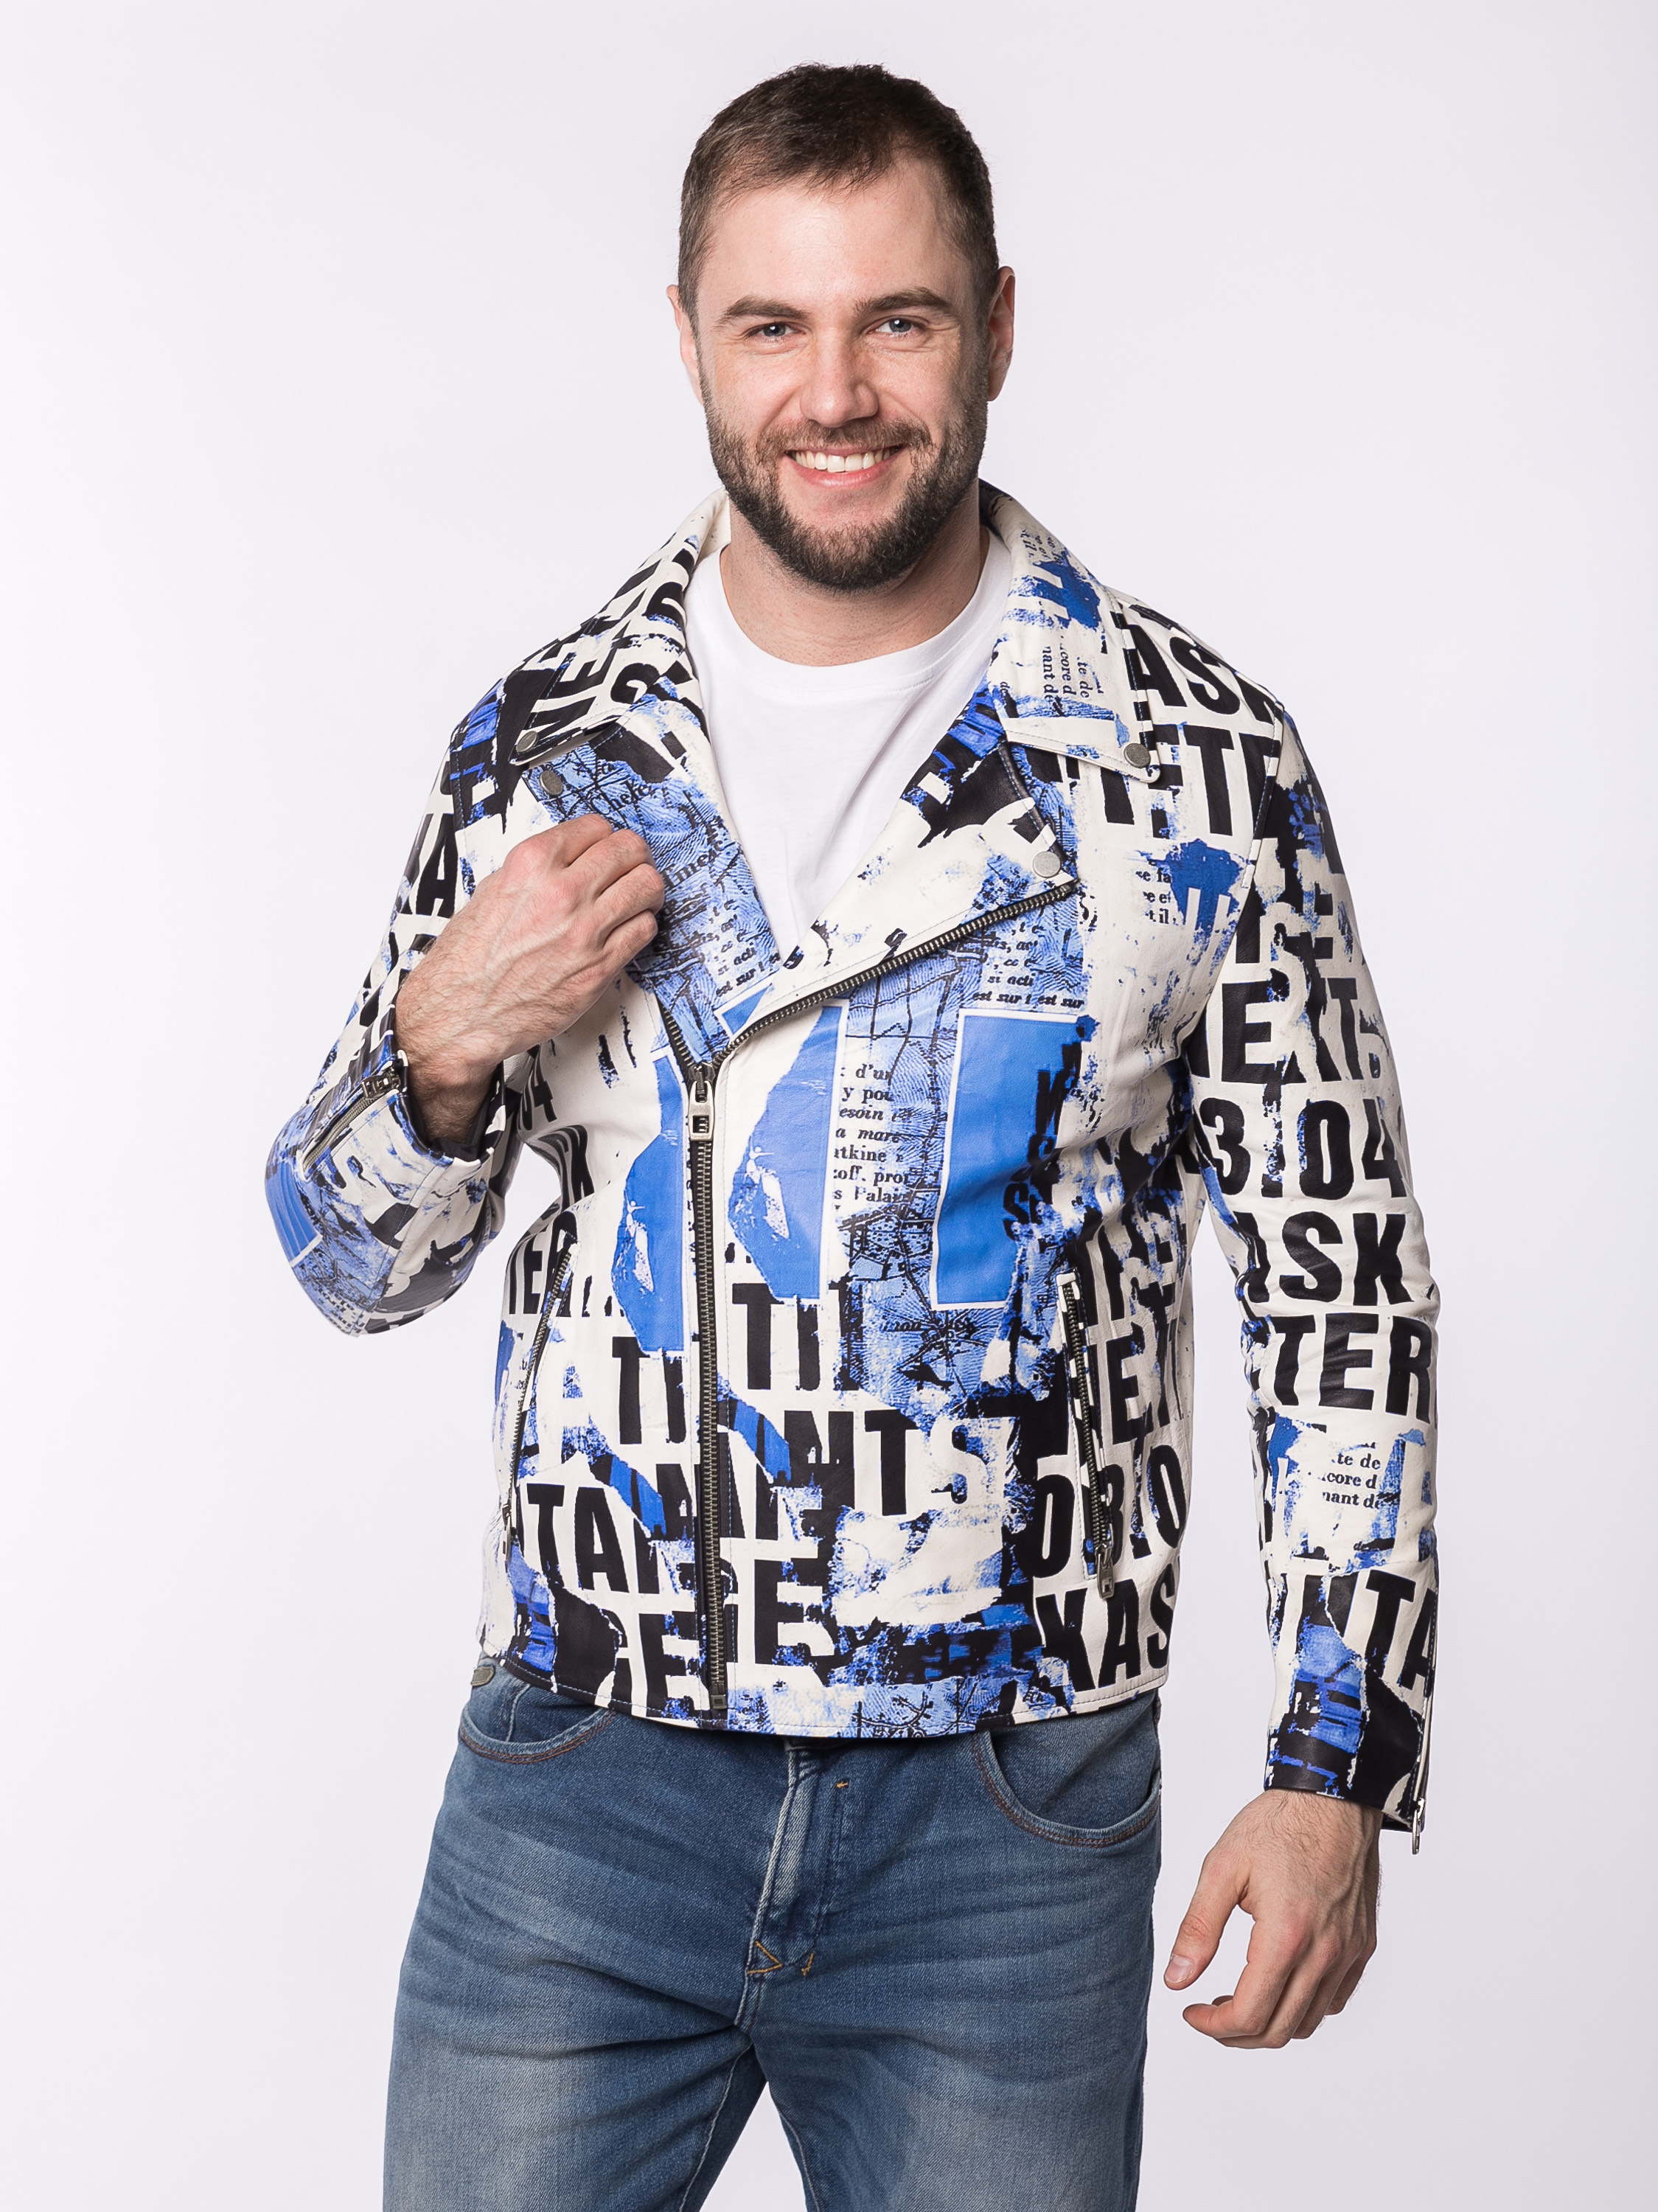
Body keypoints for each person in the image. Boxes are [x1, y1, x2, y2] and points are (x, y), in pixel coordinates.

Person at [266, 61, 1438, 2212]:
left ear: (995, 326)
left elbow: (1337, 1287)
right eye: (773, 326)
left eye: (897, 321)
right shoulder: (545, 743)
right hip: (586, 1777)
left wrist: (1334, 1761)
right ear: (689, 340)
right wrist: (441, 1044)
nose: (836, 393)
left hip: (1004, 1813)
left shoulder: (1192, 761)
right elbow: (352, 1264)